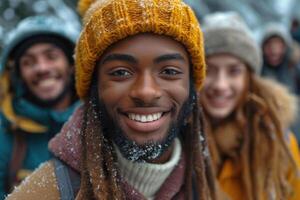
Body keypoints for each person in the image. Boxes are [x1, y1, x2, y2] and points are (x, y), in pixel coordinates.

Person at [6, 0, 219, 200]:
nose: (146, 92)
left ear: (192, 84)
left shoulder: (206, 185)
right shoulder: (43, 193)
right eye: (120, 72)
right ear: (93, 88)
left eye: (170, 71)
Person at [201, 12, 300, 200]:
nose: (221, 85)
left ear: (249, 77)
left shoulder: (278, 140)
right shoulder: (175, 140)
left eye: (234, 71)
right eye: (209, 70)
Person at [0, 15, 80, 199]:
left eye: (51, 56)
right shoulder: (5, 137)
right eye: (28, 62)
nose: (41, 68)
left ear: (72, 65)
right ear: (18, 76)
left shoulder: (104, 125)